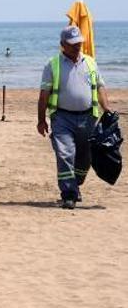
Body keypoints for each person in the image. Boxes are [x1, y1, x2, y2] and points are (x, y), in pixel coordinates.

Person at [38, 26, 111, 209]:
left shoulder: (91, 62)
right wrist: (41, 119)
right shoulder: (52, 64)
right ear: (63, 45)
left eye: (79, 43)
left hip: (88, 118)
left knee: (85, 158)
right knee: (65, 155)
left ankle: (76, 184)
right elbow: (44, 95)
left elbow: (100, 87)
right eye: (72, 44)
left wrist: (107, 109)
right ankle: (68, 194)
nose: (77, 46)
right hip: (62, 118)